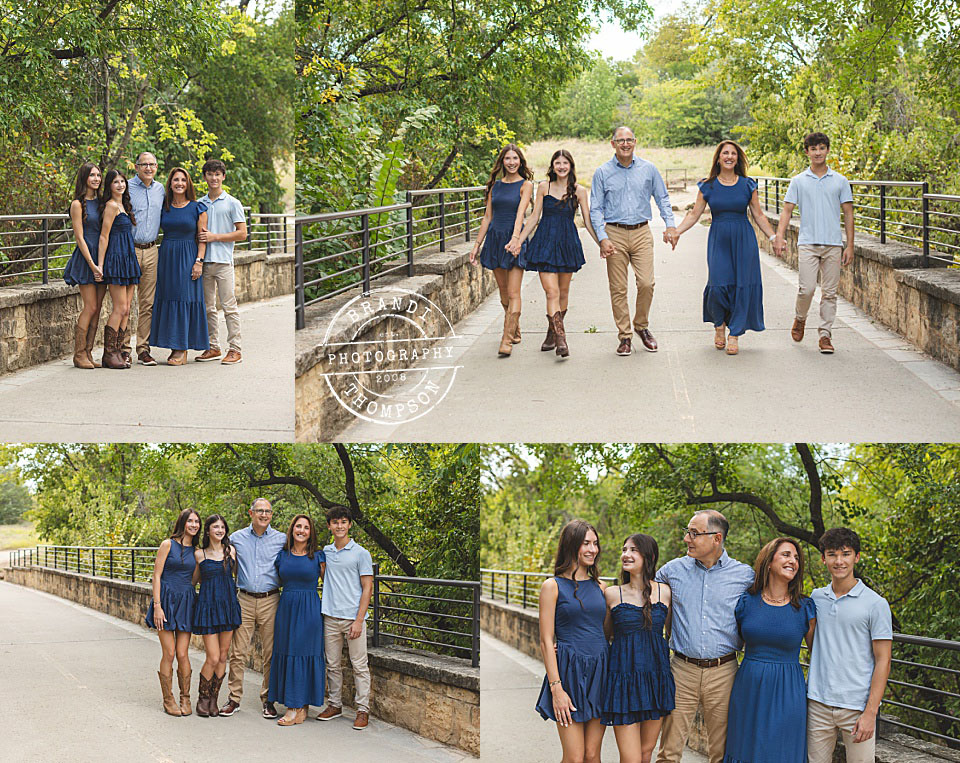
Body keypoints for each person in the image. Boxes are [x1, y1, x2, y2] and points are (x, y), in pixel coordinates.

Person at [654, 510, 754, 763]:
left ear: (716, 538)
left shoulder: (745, 576)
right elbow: (644, 597)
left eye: (694, 533)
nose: (687, 538)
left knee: (721, 752)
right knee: (669, 751)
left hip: (724, 671)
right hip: (682, 669)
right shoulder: (671, 571)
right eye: (688, 532)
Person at [673, 140, 777, 355]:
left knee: (742, 285)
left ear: (737, 158)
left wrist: (774, 236)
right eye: (725, 153)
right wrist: (677, 231)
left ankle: (734, 334)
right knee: (718, 284)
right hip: (719, 237)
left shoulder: (748, 185)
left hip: (743, 238)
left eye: (733, 153)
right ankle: (719, 324)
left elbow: (758, 214)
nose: (729, 157)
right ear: (718, 158)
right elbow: (694, 214)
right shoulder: (708, 185)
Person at [722, 537, 816, 763]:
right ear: (769, 561)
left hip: (788, 691)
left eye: (796, 558)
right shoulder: (746, 602)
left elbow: (819, 655)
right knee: (747, 750)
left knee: (781, 752)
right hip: (749, 688)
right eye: (786, 555)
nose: (793, 561)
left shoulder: (805, 608)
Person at [589, 126, 678, 357]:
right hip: (614, 233)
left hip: (641, 232)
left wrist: (670, 225)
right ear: (613, 144)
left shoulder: (648, 169)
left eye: (629, 140)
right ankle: (625, 336)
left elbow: (662, 198)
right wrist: (602, 238)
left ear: (635, 142)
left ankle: (641, 326)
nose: (625, 144)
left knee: (646, 283)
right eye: (621, 140)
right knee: (618, 289)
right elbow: (596, 208)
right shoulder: (602, 172)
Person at [806, 528, 892, 763]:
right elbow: (814, 643)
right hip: (818, 703)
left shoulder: (876, 604)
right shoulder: (815, 598)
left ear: (857, 557)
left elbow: (883, 660)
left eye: (846, 553)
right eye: (832, 554)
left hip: (857, 707)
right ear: (823, 558)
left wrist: (870, 713)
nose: (839, 561)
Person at [511, 150, 600, 358]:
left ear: (571, 166)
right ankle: (561, 340)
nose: (561, 166)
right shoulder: (544, 187)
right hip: (544, 243)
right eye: (557, 163)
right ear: (552, 166)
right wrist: (518, 241)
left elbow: (587, 221)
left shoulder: (579, 191)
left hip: (567, 243)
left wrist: (601, 244)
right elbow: (533, 218)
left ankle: (551, 333)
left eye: (565, 163)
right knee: (552, 293)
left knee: (563, 292)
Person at [773, 132, 855, 354]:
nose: (818, 152)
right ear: (807, 152)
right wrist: (779, 236)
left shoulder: (840, 181)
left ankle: (825, 335)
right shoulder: (798, 181)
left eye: (821, 148)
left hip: (833, 245)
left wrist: (849, 245)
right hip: (808, 243)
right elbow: (787, 210)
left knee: (829, 292)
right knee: (807, 289)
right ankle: (800, 318)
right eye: (813, 148)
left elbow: (848, 214)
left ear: (827, 150)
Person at [535, 519, 608, 763]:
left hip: (600, 671)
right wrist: (557, 688)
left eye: (595, 544)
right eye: (586, 543)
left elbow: (607, 631)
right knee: (575, 757)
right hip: (568, 673)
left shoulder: (601, 587)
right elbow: (546, 641)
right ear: (571, 545)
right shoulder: (552, 586)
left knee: (592, 754)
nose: (592, 549)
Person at [602, 533, 675, 763]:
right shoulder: (612, 593)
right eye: (624, 550)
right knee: (631, 758)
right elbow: (604, 635)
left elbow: (671, 633)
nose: (626, 554)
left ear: (649, 556)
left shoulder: (665, 591)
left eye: (633, 550)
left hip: (656, 680)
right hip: (623, 680)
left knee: (645, 754)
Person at [219, 498, 287, 719]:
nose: (264, 515)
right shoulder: (237, 538)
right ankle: (234, 698)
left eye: (267, 511)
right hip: (244, 599)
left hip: (271, 600)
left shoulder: (281, 539)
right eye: (260, 511)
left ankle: (268, 700)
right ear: (251, 513)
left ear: (271, 514)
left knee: (270, 653)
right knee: (238, 652)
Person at [469, 144, 534, 357]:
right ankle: (514, 328)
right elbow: (487, 217)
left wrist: (516, 240)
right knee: (504, 293)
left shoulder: (526, 185)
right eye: (508, 158)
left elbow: (520, 214)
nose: (512, 162)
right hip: (495, 240)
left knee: (514, 292)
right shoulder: (494, 186)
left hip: (514, 239)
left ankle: (506, 339)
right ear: (502, 161)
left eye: (515, 158)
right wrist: (477, 245)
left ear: (520, 162)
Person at [316, 505, 374, 730]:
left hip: (353, 618)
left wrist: (359, 620)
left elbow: (367, 588)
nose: (339, 526)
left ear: (349, 525)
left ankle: (362, 710)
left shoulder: (361, 553)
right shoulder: (326, 552)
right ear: (329, 526)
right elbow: (324, 576)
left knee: (359, 665)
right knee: (332, 665)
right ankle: (335, 705)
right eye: (335, 522)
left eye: (343, 522)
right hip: (330, 616)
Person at [269, 514, 327, 726]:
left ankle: (295, 707)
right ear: (292, 529)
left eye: (306, 527)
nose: (301, 530)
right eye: (298, 526)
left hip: (309, 609)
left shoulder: (318, 557)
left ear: (311, 532)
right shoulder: (282, 556)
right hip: (286, 608)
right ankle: (299, 708)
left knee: (303, 653)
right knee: (287, 651)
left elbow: (330, 583)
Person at [149, 168, 210, 365]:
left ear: (188, 183)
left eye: (183, 180)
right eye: (176, 180)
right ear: (170, 183)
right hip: (167, 256)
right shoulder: (164, 207)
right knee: (169, 297)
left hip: (188, 256)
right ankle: (173, 345)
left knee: (184, 298)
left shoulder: (197, 208)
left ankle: (181, 349)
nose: (179, 183)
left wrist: (198, 262)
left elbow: (202, 238)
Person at [145, 509, 201, 716]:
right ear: (183, 522)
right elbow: (157, 575)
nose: (194, 525)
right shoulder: (167, 544)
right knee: (169, 653)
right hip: (166, 602)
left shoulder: (196, 551)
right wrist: (158, 606)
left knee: (183, 653)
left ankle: (185, 698)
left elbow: (194, 580)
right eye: (190, 521)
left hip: (186, 602)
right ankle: (168, 699)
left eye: (197, 522)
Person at [195, 159, 247, 365]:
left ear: (223, 177)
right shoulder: (200, 203)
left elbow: (242, 233)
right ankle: (213, 346)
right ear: (205, 177)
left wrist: (215, 237)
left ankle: (235, 349)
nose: (214, 178)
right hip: (204, 262)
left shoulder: (233, 203)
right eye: (210, 174)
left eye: (218, 174)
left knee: (229, 306)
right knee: (208, 307)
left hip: (224, 262)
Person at [192, 514, 241, 717]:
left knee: (223, 655)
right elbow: (193, 581)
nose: (220, 530)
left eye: (222, 527)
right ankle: (202, 698)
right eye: (215, 527)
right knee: (212, 657)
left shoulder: (231, 551)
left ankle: (214, 698)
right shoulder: (199, 555)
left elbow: (236, 577)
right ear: (208, 531)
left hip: (227, 606)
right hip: (208, 608)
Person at [63, 162, 106, 369]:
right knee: (90, 306)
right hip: (86, 258)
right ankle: (78, 354)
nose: (96, 179)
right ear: (84, 178)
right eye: (92, 176)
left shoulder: (101, 203)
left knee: (98, 309)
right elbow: (79, 237)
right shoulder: (77, 204)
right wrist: (92, 265)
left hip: (101, 257)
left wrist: (102, 263)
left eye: (98, 175)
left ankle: (88, 352)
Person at [97, 169, 141, 369]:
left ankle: (120, 351)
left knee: (127, 310)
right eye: (115, 182)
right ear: (109, 186)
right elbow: (104, 236)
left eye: (122, 181)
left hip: (128, 259)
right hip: (115, 259)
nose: (120, 185)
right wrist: (100, 264)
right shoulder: (111, 206)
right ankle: (109, 354)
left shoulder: (124, 205)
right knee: (120, 307)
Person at [127, 151, 166, 366]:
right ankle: (123, 349)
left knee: (147, 303)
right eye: (144, 164)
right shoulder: (127, 188)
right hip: (130, 249)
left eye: (152, 165)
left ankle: (143, 349)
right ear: (136, 167)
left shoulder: (161, 189)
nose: (148, 168)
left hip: (152, 250)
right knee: (124, 303)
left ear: (156, 167)